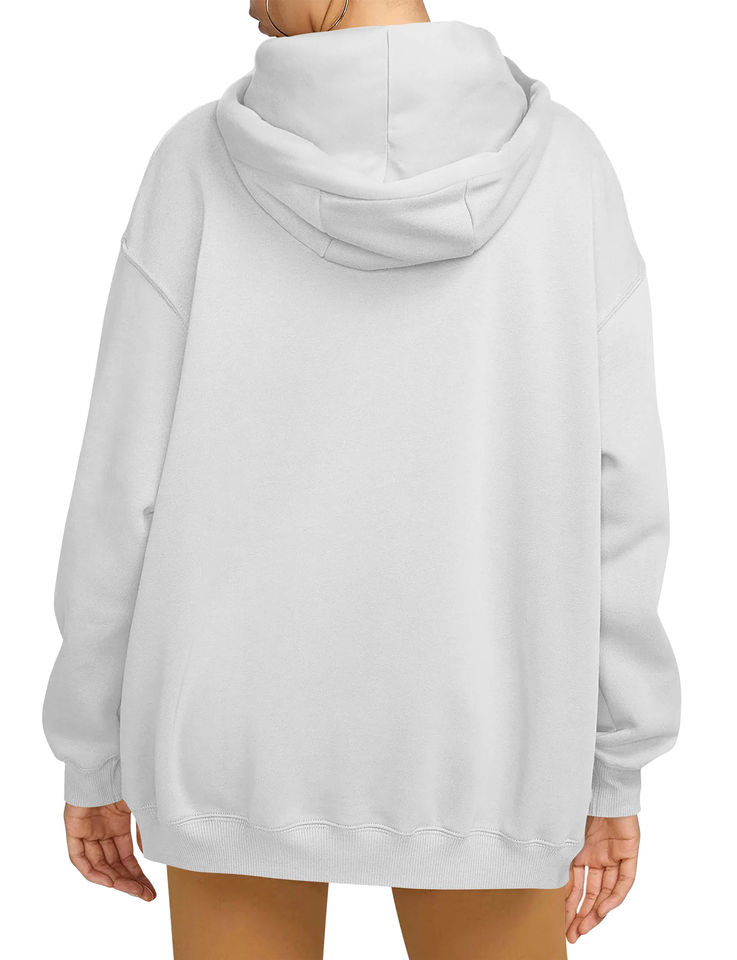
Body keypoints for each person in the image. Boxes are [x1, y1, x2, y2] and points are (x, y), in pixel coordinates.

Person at [42, 1, 681, 957]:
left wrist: (92, 748)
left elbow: (116, 485)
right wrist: (612, 763)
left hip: (229, 741)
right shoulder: (565, 168)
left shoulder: (198, 166)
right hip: (492, 746)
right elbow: (621, 495)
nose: (246, 4)